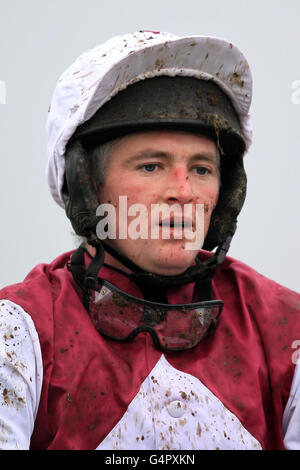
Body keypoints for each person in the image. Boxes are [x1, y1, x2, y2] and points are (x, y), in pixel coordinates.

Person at [0, 30, 299, 451]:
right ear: (88, 190)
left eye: (201, 169)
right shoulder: (17, 332)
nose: (184, 191)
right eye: (151, 167)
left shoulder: (287, 329)